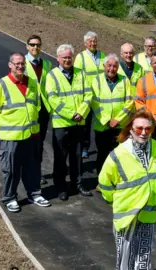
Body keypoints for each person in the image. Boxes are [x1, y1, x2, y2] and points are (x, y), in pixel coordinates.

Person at [0, 52, 51, 212]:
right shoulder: (0, 85)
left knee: (33, 167)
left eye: (22, 63)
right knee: (11, 169)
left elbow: (36, 105)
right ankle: (10, 197)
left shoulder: (32, 84)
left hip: (32, 135)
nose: (20, 66)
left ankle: (34, 194)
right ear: (10, 65)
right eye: (17, 64)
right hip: (11, 137)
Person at [99, 109, 156, 270]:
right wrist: (114, 201)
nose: (143, 133)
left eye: (148, 129)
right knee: (125, 259)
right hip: (127, 214)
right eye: (139, 128)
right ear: (131, 129)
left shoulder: (155, 147)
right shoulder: (119, 153)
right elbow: (104, 181)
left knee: (144, 256)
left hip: (148, 212)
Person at [46, 44, 93, 200]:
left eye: (69, 57)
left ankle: (77, 183)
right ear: (58, 58)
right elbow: (53, 99)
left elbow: (88, 95)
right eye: (64, 57)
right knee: (61, 158)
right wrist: (71, 114)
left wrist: (81, 113)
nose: (67, 60)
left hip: (78, 124)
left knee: (77, 156)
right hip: (62, 124)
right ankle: (61, 187)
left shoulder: (81, 74)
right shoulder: (52, 76)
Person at [92, 54, 133, 188]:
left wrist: (118, 119)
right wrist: (105, 120)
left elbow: (129, 102)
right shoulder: (97, 81)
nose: (112, 68)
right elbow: (94, 103)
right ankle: (102, 182)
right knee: (102, 155)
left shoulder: (124, 81)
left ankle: (117, 181)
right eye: (109, 65)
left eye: (115, 66)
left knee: (119, 155)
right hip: (102, 126)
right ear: (104, 66)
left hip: (119, 126)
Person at [24, 34, 53, 185]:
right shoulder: (21, 63)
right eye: (32, 44)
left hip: (43, 110)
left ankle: (36, 171)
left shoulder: (47, 64)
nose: (35, 47)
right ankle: (26, 171)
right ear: (27, 46)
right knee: (26, 142)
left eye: (38, 45)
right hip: (27, 110)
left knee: (39, 142)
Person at [74, 31, 106, 159]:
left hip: (100, 95)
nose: (93, 43)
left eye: (94, 41)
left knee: (100, 120)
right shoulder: (80, 57)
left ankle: (102, 146)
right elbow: (77, 77)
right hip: (87, 95)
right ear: (85, 43)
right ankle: (85, 148)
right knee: (85, 124)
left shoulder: (102, 55)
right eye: (90, 41)